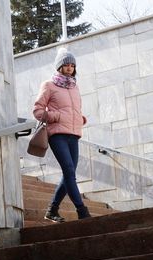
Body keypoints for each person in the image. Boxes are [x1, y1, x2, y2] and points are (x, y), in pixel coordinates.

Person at [33, 47, 91, 223]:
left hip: (74, 134)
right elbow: (37, 110)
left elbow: (72, 109)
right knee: (69, 171)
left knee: (69, 173)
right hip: (57, 135)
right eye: (66, 65)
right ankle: (82, 211)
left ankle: (52, 210)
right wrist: (56, 116)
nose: (70, 68)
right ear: (59, 67)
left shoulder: (75, 87)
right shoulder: (49, 85)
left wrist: (79, 118)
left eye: (72, 65)